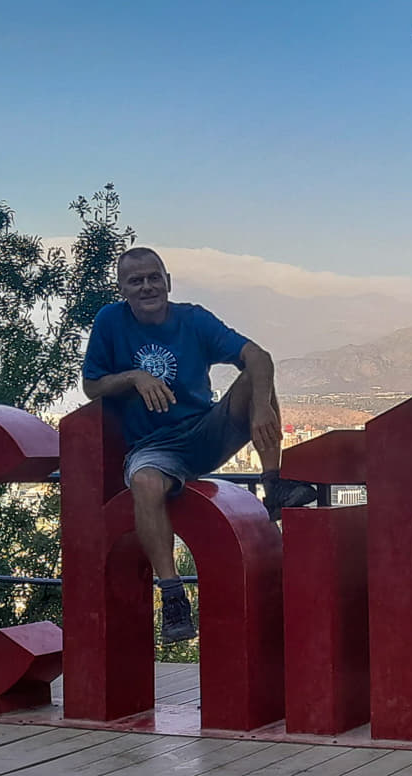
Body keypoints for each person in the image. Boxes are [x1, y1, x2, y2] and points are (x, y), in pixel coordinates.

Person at [81, 246, 318, 643]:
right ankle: (173, 596)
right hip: (154, 446)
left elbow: (258, 357)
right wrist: (135, 377)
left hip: (205, 430)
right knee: (144, 484)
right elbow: (92, 385)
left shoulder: (193, 319)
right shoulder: (110, 322)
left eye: (153, 277)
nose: (147, 286)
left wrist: (259, 408)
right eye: (135, 280)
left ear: (168, 282)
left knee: (256, 377)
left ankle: (273, 483)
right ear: (122, 288)